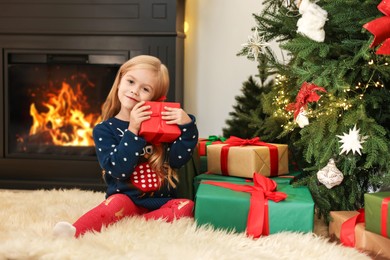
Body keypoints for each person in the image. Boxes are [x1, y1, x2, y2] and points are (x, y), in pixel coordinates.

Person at [53, 55, 198, 238]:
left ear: (156, 98)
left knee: (187, 206)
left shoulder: (161, 128)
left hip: (160, 202)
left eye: (145, 89)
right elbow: (119, 170)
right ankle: (74, 232)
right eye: (130, 81)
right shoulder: (105, 130)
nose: (134, 91)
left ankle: (136, 225)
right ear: (120, 81)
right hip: (125, 199)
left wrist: (187, 127)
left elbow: (179, 159)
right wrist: (133, 130)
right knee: (111, 205)